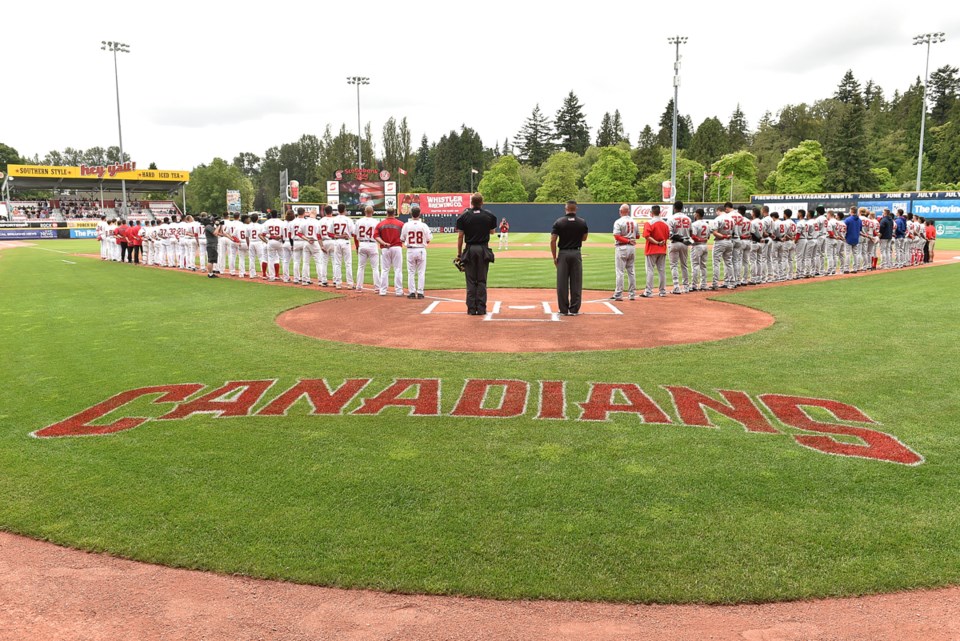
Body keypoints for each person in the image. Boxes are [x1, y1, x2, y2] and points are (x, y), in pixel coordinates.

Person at [457, 193, 498, 315]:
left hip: (469, 249)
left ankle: (471, 309)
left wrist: (459, 254)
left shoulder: (463, 216)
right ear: (482, 202)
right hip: (483, 249)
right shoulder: (489, 215)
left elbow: (460, 236)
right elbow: (492, 232)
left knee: (470, 281)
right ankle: (481, 308)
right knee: (481, 280)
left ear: (471, 203)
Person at [551, 200, 589, 314]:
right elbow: (584, 238)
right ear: (576, 209)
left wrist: (554, 257)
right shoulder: (582, 222)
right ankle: (574, 309)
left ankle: (563, 309)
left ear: (566, 208)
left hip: (563, 254)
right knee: (576, 282)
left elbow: (553, 240)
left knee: (562, 282)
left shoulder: (559, 222)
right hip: (576, 253)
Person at [401, 205, 433, 299]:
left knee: (411, 272)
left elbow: (402, 239)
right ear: (419, 214)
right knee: (421, 272)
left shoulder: (406, 225)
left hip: (410, 250)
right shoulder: (424, 225)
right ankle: (420, 292)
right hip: (421, 250)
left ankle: (411, 292)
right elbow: (429, 238)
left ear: (411, 214)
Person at [375, 207, 405, 296]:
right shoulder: (400, 224)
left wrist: (384, 243)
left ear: (386, 213)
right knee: (398, 270)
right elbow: (404, 237)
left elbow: (376, 236)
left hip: (385, 248)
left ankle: (383, 291)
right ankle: (399, 291)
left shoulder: (380, 224)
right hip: (396, 247)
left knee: (384, 270)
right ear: (394, 213)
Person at [641, 205, 670, 297]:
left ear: (651, 213)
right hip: (662, 250)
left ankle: (648, 291)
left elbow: (646, 236)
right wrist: (660, 242)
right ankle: (662, 291)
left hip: (651, 249)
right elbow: (668, 236)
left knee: (650, 270)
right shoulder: (665, 224)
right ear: (660, 212)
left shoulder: (649, 222)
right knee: (661, 271)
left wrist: (657, 243)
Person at [610, 203, 637, 301]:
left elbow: (617, 236)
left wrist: (627, 240)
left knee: (620, 272)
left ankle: (618, 294)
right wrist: (630, 238)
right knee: (631, 271)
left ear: (621, 211)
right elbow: (637, 236)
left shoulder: (618, 221)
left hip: (622, 247)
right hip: (632, 248)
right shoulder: (634, 222)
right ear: (628, 211)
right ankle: (632, 294)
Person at [666, 201, 691, 294]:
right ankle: (686, 287)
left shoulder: (671, 218)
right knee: (684, 265)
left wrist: (680, 238)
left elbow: (670, 234)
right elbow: (691, 233)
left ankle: (676, 287)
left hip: (675, 243)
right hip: (685, 243)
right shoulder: (688, 218)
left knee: (674, 265)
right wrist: (686, 241)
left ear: (674, 208)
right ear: (682, 208)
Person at [354, 205, 381, 292]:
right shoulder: (376, 222)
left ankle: (358, 287)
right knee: (375, 267)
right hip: (372, 244)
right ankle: (377, 288)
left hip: (362, 244)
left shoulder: (359, 221)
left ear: (364, 212)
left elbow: (355, 235)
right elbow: (378, 235)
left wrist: (357, 246)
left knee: (361, 267)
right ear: (372, 212)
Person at [711, 202, 736, 289]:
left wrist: (723, 236)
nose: (716, 213)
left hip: (720, 241)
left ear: (718, 210)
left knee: (716, 263)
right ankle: (732, 283)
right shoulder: (732, 219)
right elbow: (733, 232)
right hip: (729, 242)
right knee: (728, 262)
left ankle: (715, 284)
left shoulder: (718, 218)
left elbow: (714, 232)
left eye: (716, 211)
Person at [330, 204, 355, 289]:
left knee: (337, 263)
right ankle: (350, 284)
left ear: (337, 210)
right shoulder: (348, 219)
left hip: (337, 242)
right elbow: (353, 232)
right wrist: (346, 235)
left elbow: (329, 233)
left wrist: (338, 236)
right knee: (348, 263)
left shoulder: (334, 219)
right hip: (346, 242)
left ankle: (338, 284)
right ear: (344, 210)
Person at [843, 206, 862, 274]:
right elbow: (860, 230)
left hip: (848, 238)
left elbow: (844, 229)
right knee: (855, 254)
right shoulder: (859, 220)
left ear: (851, 211)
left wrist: (844, 236)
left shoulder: (848, 219)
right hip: (856, 238)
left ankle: (846, 269)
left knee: (847, 254)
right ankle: (855, 268)